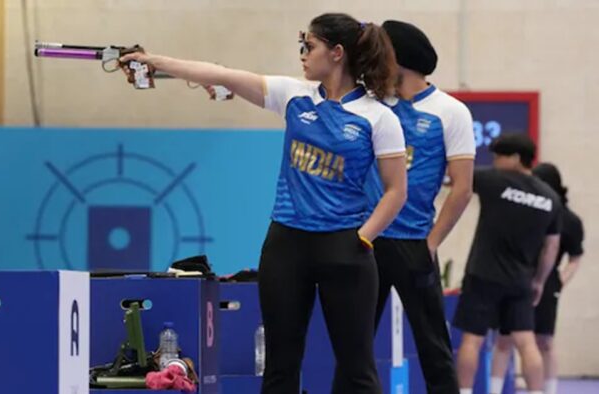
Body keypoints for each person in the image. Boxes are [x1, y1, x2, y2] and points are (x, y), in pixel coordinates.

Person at [120, 12, 407, 393]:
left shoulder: (378, 118)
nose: (303, 55)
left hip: (346, 247)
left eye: (310, 47)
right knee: (280, 365)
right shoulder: (294, 95)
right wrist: (154, 60)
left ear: (337, 53)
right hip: (286, 245)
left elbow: (395, 191)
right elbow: (219, 74)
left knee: (357, 368)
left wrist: (363, 238)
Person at [365, 20, 476, 394]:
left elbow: (462, 189)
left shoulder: (450, 111)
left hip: (414, 242)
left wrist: (432, 242)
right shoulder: (373, 105)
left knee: (433, 346)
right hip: (367, 240)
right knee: (354, 346)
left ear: (398, 58)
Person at [453, 134, 562, 394]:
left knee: (472, 340)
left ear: (514, 158)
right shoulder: (550, 198)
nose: (494, 162)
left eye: (498, 156)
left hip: (483, 275)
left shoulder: (492, 180)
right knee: (526, 341)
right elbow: (552, 247)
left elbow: (456, 177)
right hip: (521, 280)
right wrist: (539, 281)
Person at [488, 162, 584, 394]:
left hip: (547, 281)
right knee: (504, 339)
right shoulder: (521, 211)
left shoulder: (569, 220)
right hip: (515, 276)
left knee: (545, 342)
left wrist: (561, 280)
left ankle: (548, 390)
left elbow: (575, 256)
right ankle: (495, 390)